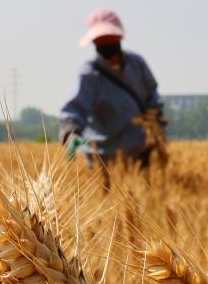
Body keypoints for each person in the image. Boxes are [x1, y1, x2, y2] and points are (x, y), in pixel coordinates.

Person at [60, 9, 166, 168]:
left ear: (119, 39)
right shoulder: (89, 74)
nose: (107, 46)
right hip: (101, 157)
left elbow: (152, 96)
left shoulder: (137, 64)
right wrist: (71, 132)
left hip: (139, 152)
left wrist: (154, 121)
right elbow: (74, 109)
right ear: (95, 44)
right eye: (102, 43)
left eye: (110, 41)